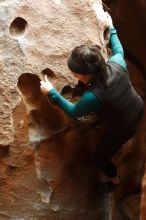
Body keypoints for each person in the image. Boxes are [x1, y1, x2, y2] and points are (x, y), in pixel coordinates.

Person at [40, 14, 144, 191]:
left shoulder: (93, 96)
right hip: (138, 106)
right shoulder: (117, 62)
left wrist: (52, 92)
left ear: (84, 75)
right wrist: (111, 29)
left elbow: (74, 112)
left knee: (100, 158)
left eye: (75, 73)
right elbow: (119, 50)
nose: (73, 76)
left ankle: (114, 180)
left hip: (124, 127)